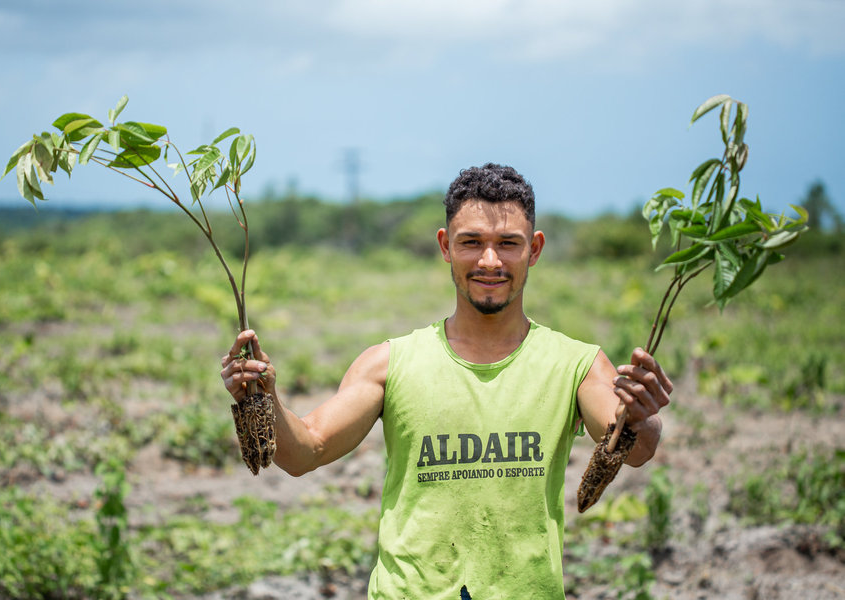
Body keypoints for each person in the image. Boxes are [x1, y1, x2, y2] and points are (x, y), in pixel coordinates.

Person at [220, 163, 672, 599]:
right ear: (445, 246)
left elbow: (634, 448)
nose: (490, 261)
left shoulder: (577, 364)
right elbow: (305, 451)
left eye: (507, 243)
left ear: (534, 249)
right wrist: (263, 399)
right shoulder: (389, 364)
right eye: (471, 242)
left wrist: (640, 413)